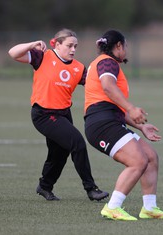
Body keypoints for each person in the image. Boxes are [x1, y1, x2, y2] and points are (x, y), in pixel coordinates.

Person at [84, 29, 163, 221]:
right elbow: (108, 87)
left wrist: (140, 126)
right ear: (118, 46)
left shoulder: (102, 62)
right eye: (125, 46)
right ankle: (112, 207)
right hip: (102, 124)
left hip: (109, 119)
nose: (126, 50)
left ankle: (149, 208)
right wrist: (131, 108)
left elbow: (111, 105)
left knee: (150, 157)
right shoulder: (107, 62)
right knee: (138, 161)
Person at [7, 29, 109, 202]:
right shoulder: (43, 57)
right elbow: (13, 53)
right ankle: (91, 189)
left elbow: (96, 86)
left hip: (63, 114)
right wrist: (33, 44)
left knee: (59, 154)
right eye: (69, 45)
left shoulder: (78, 67)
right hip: (43, 115)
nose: (73, 49)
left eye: (75, 46)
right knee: (77, 143)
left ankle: (45, 186)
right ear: (57, 44)